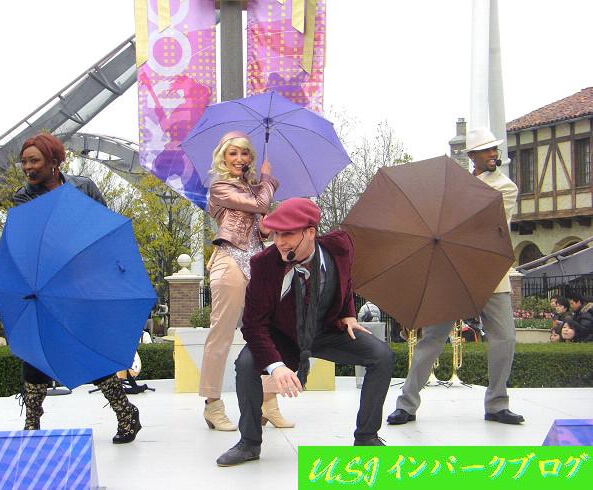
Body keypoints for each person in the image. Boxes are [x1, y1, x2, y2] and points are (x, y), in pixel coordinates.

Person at [216, 198, 394, 466]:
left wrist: (348, 313)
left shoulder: (341, 245)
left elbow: (344, 277)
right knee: (246, 364)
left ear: (310, 232)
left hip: (326, 330)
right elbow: (253, 325)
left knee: (382, 356)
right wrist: (276, 366)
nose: (279, 242)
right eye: (276, 234)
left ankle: (367, 437)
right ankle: (249, 443)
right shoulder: (263, 264)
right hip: (283, 337)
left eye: (287, 234)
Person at [387, 127, 525, 426]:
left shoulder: (505, 187)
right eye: (487, 150)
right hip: (451, 272)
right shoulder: (457, 185)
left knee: (505, 339)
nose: (494, 154)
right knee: (432, 339)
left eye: (494, 149)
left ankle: (497, 404)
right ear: (472, 155)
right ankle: (406, 405)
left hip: (490, 273)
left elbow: (487, 226)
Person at [12, 133, 140, 444]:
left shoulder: (84, 187)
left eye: (34, 161)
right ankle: (32, 422)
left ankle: (125, 412)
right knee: (36, 351)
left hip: (85, 283)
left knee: (88, 349)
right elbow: (30, 242)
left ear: (54, 161)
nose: (27, 167)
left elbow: (106, 230)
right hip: (43, 285)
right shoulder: (23, 197)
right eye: (24, 162)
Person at [199, 131, 292, 431]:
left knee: (267, 333)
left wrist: (266, 226)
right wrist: (267, 180)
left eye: (245, 153)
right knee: (221, 334)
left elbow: (260, 227)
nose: (240, 158)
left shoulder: (252, 191)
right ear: (223, 158)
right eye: (233, 153)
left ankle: (269, 403)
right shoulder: (219, 187)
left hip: (256, 264)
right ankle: (213, 405)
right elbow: (262, 204)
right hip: (229, 261)